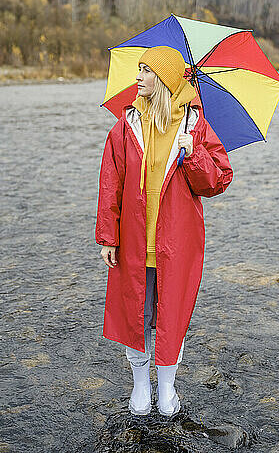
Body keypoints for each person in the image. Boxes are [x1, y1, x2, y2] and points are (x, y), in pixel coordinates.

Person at [95, 45, 233, 417]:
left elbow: (218, 181)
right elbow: (111, 183)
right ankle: (141, 386)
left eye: (145, 71)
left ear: (165, 79)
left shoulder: (195, 126)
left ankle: (167, 388)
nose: (137, 77)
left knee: (171, 318)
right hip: (135, 245)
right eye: (138, 69)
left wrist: (195, 153)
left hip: (178, 245)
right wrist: (108, 236)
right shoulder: (126, 127)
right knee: (134, 317)